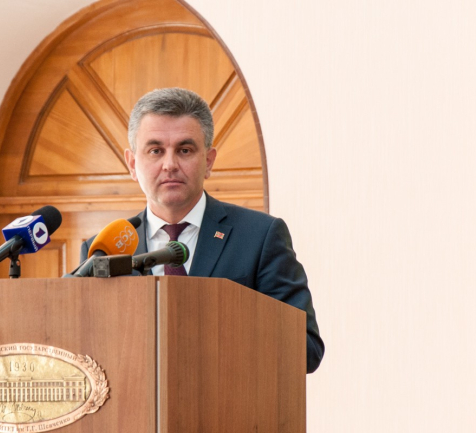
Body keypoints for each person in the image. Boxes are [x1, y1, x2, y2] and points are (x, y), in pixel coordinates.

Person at [80, 88, 324, 373]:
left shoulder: (260, 236)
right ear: (133, 164)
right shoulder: (102, 251)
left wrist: (218, 321)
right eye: (156, 151)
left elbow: (306, 350)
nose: (170, 165)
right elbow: (86, 350)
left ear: (208, 161)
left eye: (184, 150)